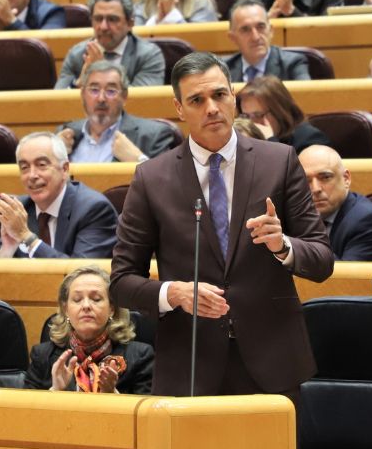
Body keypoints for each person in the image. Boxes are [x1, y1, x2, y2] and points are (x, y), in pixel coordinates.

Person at [110, 51, 335, 403]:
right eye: (197, 100)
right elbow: (121, 282)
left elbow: (321, 260)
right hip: (190, 362)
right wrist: (174, 294)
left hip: (272, 361)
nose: (211, 108)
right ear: (180, 109)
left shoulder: (279, 161)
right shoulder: (152, 178)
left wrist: (283, 246)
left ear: (234, 96)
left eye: (219, 95)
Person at [25, 265, 154, 393]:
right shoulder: (42, 356)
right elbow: (22, 411)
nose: (86, 306)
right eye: (77, 299)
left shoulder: (140, 357)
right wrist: (56, 391)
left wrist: (112, 395)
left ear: (112, 308)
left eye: (96, 299)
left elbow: (148, 411)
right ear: (66, 310)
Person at [0, 132, 118, 259]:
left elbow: (82, 272)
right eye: (24, 167)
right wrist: (6, 250)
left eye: (41, 165)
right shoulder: (20, 209)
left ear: (65, 169)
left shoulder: (93, 209)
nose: (32, 175)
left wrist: (27, 238)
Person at [58, 61, 180, 163]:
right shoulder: (65, 134)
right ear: (83, 94)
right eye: (94, 90)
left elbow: (168, 188)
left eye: (111, 91)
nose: (101, 98)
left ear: (124, 96)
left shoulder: (153, 136)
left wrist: (139, 160)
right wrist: (52, 152)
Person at [56, 0, 165, 89]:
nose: (103, 27)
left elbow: (143, 102)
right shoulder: (77, 54)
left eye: (112, 19)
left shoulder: (149, 56)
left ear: (130, 24)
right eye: (98, 19)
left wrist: (106, 69)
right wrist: (79, 84)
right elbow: (57, 101)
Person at [298, 145, 372, 261]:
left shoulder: (368, 221)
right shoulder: (294, 214)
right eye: (306, 181)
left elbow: (346, 278)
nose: (316, 189)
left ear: (346, 179)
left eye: (325, 177)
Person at [223, 0, 311, 83]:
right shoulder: (222, 70)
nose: (255, 37)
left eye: (261, 27)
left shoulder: (293, 64)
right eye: (246, 30)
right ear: (233, 38)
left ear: (271, 31)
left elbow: (306, 96)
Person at [237, 75, 332, 153]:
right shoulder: (244, 140)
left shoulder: (310, 140)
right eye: (245, 116)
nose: (251, 123)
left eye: (258, 115)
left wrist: (271, 141)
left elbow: (288, 174)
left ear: (279, 112)